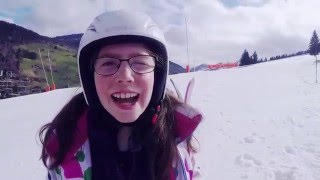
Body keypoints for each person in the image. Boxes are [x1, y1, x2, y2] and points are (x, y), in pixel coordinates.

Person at [39, 10, 202, 180]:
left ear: (157, 76)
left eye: (140, 62)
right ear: (90, 78)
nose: (125, 76)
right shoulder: (65, 146)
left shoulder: (177, 137)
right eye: (108, 63)